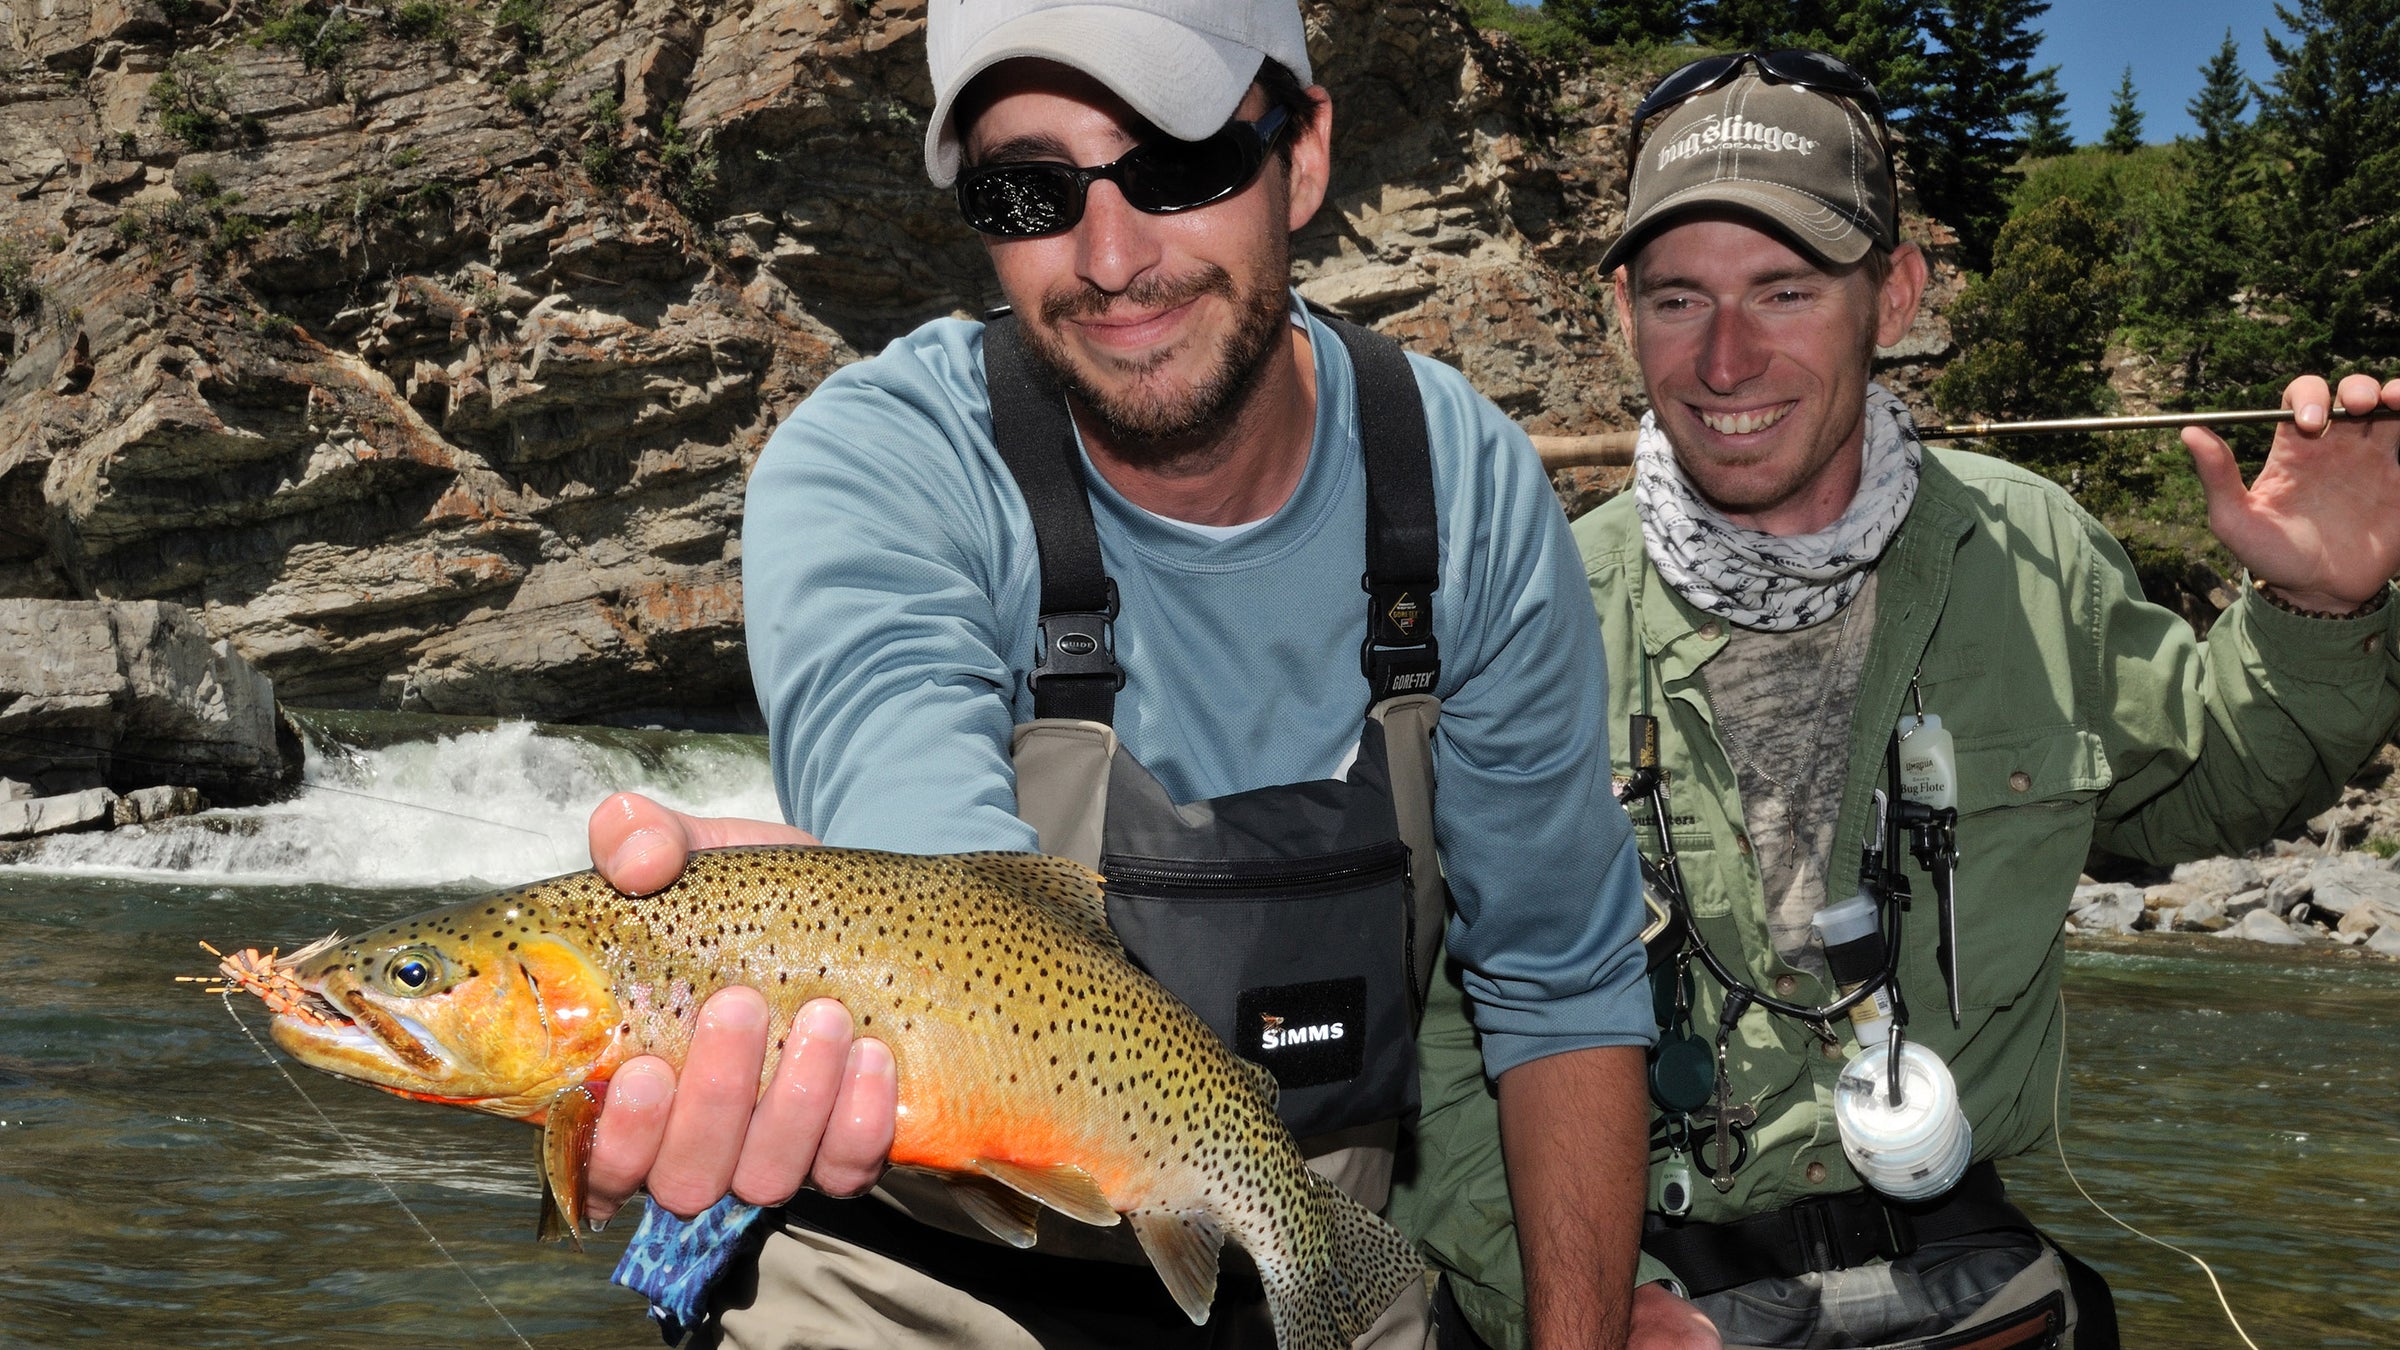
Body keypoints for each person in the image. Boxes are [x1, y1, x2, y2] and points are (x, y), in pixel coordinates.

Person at [575, 1, 1658, 1345]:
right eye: (1031, 187)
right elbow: (943, 892)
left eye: (1180, 162)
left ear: (1303, 157)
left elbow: (1561, 983)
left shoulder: (1462, 486)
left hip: (1303, 1248)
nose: (1110, 255)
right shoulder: (878, 469)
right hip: (915, 1273)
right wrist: (782, 924)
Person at [1389, 50, 2400, 1350]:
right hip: (1636, 1289)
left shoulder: (2036, 550)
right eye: (1680, 297)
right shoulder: (1529, 615)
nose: (1728, 357)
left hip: (1963, 1279)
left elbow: (2201, 786)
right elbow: (1431, 1040)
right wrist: (1570, 1300)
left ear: (1897, 292)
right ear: (1621, 311)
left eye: (1786, 290)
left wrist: (2319, 613)